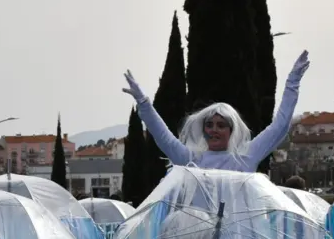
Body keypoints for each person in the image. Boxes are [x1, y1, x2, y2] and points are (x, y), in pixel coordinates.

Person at [123, 50, 310, 172]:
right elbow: (163, 137)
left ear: (231, 130)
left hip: (238, 232)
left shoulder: (246, 156)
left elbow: (279, 127)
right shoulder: (191, 159)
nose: (213, 130)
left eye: (221, 125)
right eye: (209, 125)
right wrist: (143, 103)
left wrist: (292, 82)